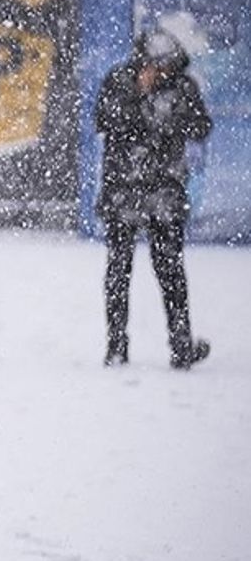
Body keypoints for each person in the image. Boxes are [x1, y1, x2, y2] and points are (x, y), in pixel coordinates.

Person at [94, 30, 213, 369]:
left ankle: (180, 347)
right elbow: (104, 120)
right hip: (124, 192)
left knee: (171, 271)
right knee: (119, 269)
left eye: (167, 66)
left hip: (164, 192)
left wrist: (170, 116)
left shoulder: (183, 87)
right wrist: (138, 95)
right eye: (155, 66)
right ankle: (116, 346)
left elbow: (202, 126)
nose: (161, 72)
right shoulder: (119, 81)